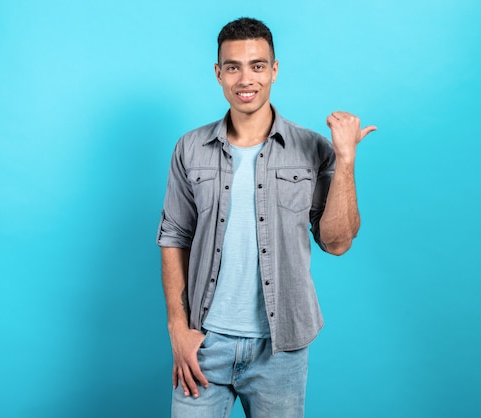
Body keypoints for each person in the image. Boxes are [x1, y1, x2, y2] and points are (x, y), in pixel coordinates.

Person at [156, 17, 376, 418]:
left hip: (281, 349)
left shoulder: (311, 148)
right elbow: (174, 235)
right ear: (218, 73)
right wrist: (178, 329)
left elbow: (337, 242)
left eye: (257, 65)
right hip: (205, 343)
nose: (246, 79)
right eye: (233, 66)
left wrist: (345, 160)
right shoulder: (190, 149)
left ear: (274, 70)